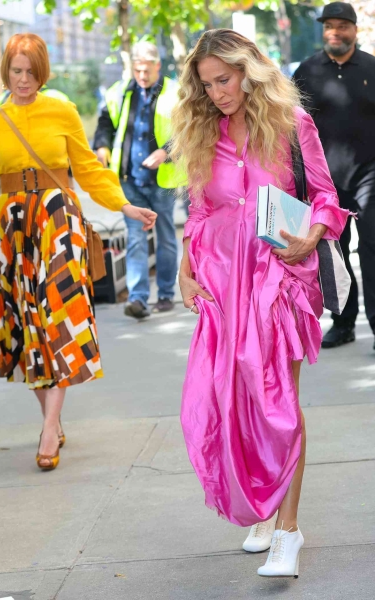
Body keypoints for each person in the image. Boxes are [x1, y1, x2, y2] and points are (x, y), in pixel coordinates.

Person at [171, 29, 349, 578]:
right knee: (232, 401)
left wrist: (314, 231)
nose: (217, 92)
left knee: (279, 401)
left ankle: (288, 534)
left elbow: (325, 196)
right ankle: (265, 507)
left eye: (224, 79)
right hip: (224, 286)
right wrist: (185, 267)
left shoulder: (293, 125)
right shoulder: (208, 133)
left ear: (248, 68)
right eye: (207, 84)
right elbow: (201, 211)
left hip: (280, 280)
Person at [0, 33, 156, 471]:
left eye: (30, 71)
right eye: (16, 70)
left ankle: (49, 427)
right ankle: (51, 415)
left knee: (60, 317)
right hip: (13, 231)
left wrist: (124, 206)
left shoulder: (62, 112)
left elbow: (87, 169)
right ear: (7, 71)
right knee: (27, 326)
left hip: (60, 224)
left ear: (42, 72)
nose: (23, 79)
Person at [294, 2, 375, 349]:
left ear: (354, 30)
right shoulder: (306, 71)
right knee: (334, 255)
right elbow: (290, 127)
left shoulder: (372, 67)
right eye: (329, 26)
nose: (335, 32)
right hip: (324, 183)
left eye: (342, 26)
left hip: (370, 175)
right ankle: (343, 324)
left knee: (373, 250)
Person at [93, 42, 181, 319]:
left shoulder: (176, 93)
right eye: (137, 69)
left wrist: (165, 152)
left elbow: (189, 130)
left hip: (163, 180)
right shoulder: (119, 92)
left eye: (147, 69)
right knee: (135, 237)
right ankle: (138, 298)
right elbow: (105, 123)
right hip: (130, 178)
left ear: (157, 66)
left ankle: (166, 294)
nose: (141, 75)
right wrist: (102, 147)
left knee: (166, 236)